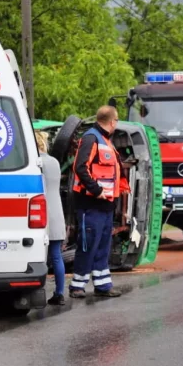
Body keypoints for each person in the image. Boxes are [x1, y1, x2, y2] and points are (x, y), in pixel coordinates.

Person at [69, 106, 122, 298]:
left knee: (102, 246)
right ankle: (77, 286)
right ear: (112, 122)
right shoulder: (91, 139)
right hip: (91, 204)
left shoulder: (106, 141)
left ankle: (103, 285)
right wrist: (96, 190)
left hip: (106, 206)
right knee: (88, 245)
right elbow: (80, 168)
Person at [36, 131, 67, 306]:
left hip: (42, 212)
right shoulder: (54, 162)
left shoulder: (37, 163)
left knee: (39, 256)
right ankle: (60, 292)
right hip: (56, 212)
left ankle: (38, 292)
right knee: (56, 256)